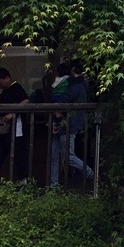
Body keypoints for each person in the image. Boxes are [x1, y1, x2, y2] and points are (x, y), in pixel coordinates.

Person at [49, 59, 94, 187]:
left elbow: (63, 100)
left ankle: (91, 173)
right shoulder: (82, 85)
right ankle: (54, 184)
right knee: (54, 155)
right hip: (66, 124)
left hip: (67, 124)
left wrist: (57, 113)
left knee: (68, 156)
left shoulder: (74, 85)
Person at [0, 67, 29, 182]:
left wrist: (13, 113)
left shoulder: (16, 88)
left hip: (16, 129)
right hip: (5, 129)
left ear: (7, 78)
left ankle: (24, 182)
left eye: (0, 83)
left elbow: (26, 101)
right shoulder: (7, 90)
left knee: (19, 156)